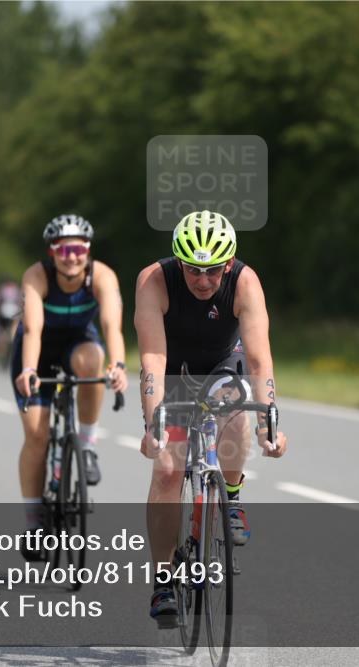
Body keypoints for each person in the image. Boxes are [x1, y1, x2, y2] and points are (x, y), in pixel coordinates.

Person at [134, 210, 289, 625]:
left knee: (236, 403)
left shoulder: (245, 281)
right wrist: (154, 425)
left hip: (224, 364)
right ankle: (164, 579)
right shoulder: (154, 280)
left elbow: (259, 359)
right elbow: (152, 356)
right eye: (193, 271)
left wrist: (268, 423)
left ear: (228, 264)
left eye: (213, 272)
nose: (203, 281)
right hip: (173, 370)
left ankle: (232, 496)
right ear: (179, 263)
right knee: (167, 469)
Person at [12, 214, 128, 560]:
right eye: (63, 249)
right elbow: (32, 328)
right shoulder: (37, 276)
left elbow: (112, 326)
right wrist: (29, 370)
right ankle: (34, 523)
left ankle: (88, 444)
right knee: (37, 435)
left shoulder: (102, 276)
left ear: (87, 250)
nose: (71, 256)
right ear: (52, 252)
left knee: (94, 363)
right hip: (38, 350)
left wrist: (118, 366)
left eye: (78, 248)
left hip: (80, 343)